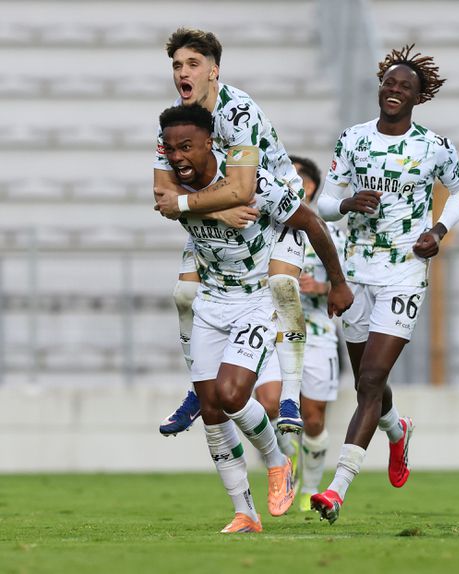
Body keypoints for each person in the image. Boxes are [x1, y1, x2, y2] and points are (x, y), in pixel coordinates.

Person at [158, 103, 351, 533]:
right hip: (211, 299)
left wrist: (337, 282)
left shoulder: (257, 184)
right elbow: (168, 204)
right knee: (212, 412)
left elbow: (312, 224)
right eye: (170, 149)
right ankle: (244, 512)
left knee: (230, 394)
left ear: (211, 143)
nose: (178, 158)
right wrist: (215, 211)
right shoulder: (172, 185)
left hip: (254, 299)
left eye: (187, 147)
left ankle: (278, 461)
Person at [309, 45, 459, 524]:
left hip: (404, 273)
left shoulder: (434, 146)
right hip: (356, 272)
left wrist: (438, 231)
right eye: (390, 83)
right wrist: (345, 204)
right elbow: (323, 202)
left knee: (369, 381)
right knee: (370, 385)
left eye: (405, 86)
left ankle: (337, 491)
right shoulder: (353, 140)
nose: (395, 91)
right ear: (380, 87)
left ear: (418, 98)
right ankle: (397, 430)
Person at [154, 27, 316, 436]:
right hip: (219, 212)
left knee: (282, 287)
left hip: (276, 208)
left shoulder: (236, 112)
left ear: (214, 70)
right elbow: (162, 194)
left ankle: (291, 396)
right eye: (177, 65)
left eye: (193, 63)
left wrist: (196, 205)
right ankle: (198, 388)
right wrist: (216, 213)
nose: (182, 72)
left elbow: (244, 190)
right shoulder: (176, 118)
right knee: (184, 294)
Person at [284, 155, 347, 512]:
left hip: (318, 331)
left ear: (309, 186)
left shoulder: (331, 232)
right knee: (265, 403)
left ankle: (308, 489)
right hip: (274, 329)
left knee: (312, 418)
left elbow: (350, 281)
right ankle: (282, 455)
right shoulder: (266, 225)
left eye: (294, 177)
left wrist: (321, 287)